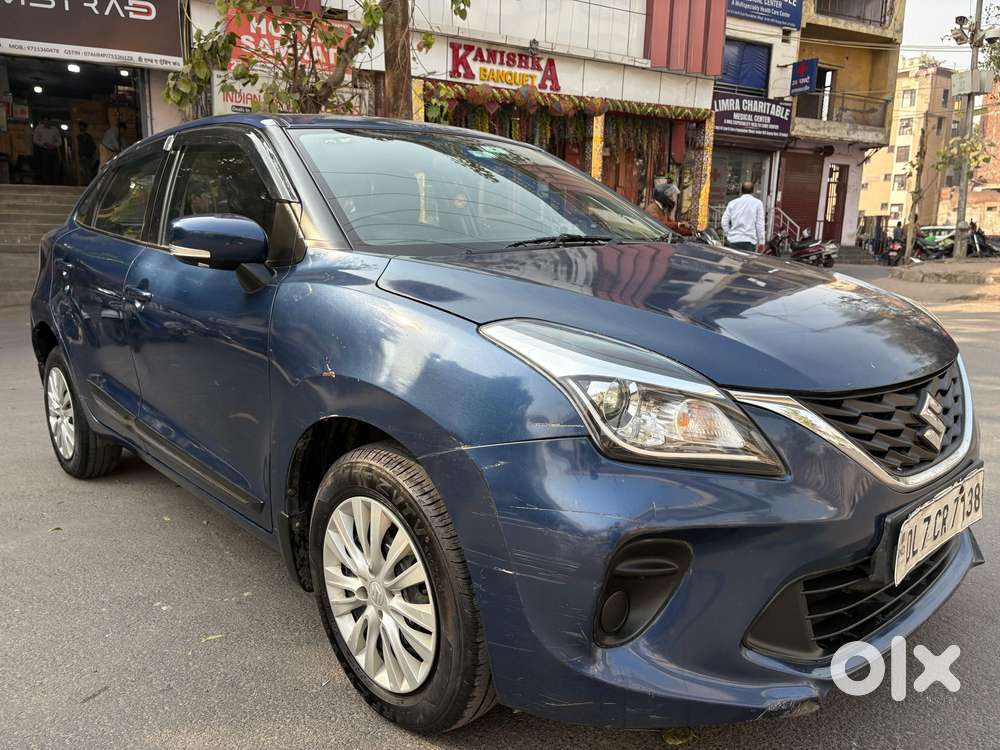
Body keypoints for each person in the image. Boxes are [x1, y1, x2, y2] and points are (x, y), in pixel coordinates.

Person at [720, 181, 765, 253]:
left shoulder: (732, 203)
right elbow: (760, 224)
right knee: (746, 264)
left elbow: (724, 222)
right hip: (749, 241)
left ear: (741, 190)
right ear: (753, 191)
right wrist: (761, 242)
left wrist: (728, 233)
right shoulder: (758, 203)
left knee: (732, 263)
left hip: (733, 240)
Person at [32, 118, 62, 184]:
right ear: (43, 122)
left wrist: (54, 145)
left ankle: (55, 182)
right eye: (45, 121)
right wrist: (43, 144)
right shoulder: (38, 128)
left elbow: (60, 141)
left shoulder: (55, 129)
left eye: (48, 121)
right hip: (43, 150)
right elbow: (35, 140)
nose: (46, 122)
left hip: (53, 150)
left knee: (55, 167)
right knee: (45, 167)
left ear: (50, 121)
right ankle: (46, 183)